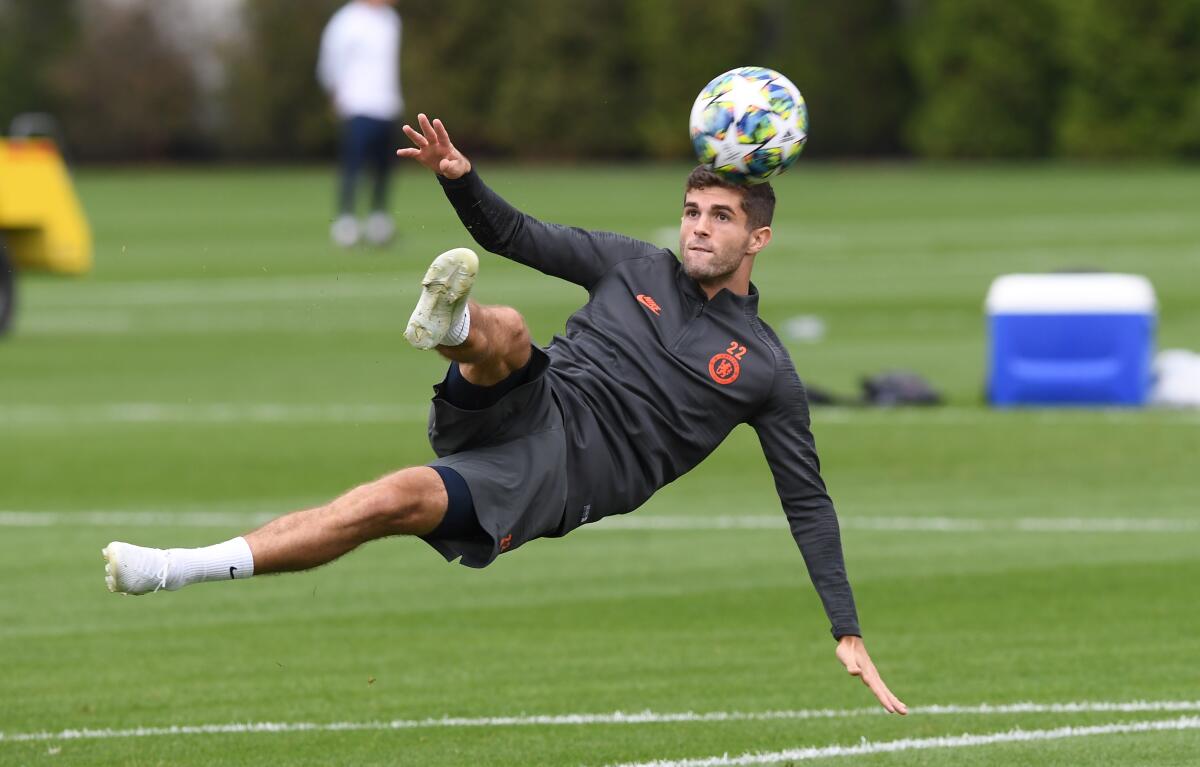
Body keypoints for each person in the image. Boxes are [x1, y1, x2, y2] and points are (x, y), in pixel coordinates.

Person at [102, 114, 907, 715]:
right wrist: (459, 175)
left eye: (720, 217)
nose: (698, 228)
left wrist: (846, 626)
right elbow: (516, 233)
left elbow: (808, 501)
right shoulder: (633, 264)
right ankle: (453, 328)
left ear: (757, 238)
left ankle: (171, 568)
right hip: (542, 393)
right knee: (513, 327)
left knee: (388, 501)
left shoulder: (765, 368)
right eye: (693, 211)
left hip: (563, 471)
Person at [317, 0, 402, 248]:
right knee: (353, 165)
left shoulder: (392, 20)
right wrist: (336, 93)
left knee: (384, 167)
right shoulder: (347, 20)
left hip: (387, 104)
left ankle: (378, 220)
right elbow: (329, 61)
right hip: (357, 104)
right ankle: (346, 221)